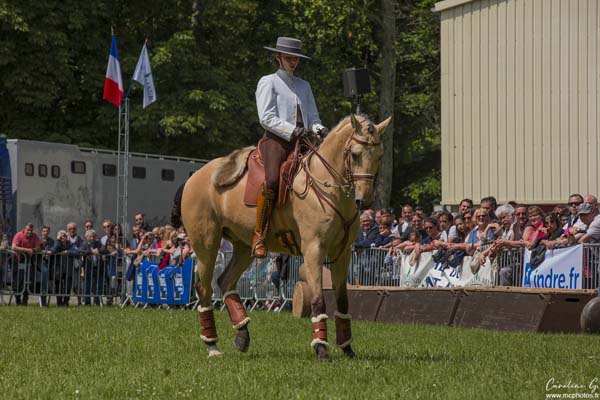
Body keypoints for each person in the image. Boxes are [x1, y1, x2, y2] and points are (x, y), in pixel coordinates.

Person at [252, 36, 328, 258]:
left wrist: (319, 129)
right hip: (276, 140)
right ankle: (259, 235)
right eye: (288, 58)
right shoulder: (268, 81)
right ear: (278, 57)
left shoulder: (305, 85)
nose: (293, 62)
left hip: (301, 141)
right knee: (272, 180)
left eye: (296, 58)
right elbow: (266, 117)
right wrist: (291, 130)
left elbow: (313, 117)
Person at [11, 223, 41, 305]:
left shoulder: (34, 235)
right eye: (28, 230)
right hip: (18, 261)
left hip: (29, 261)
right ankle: (18, 300)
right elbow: (13, 247)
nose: (29, 232)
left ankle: (25, 300)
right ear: (24, 229)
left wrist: (33, 250)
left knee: (28, 281)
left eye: (31, 230)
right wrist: (27, 250)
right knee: (18, 281)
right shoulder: (18, 235)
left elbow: (39, 247)